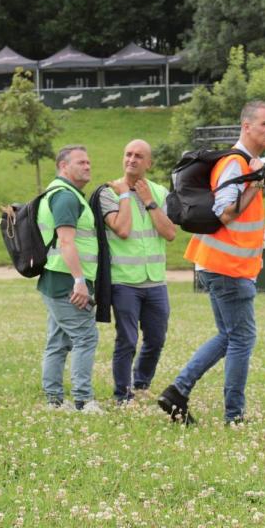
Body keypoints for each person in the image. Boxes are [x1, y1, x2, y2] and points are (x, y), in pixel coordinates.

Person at [158, 101, 265, 426]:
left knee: (228, 335)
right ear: (246, 126)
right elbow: (224, 211)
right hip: (228, 266)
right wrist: (254, 184)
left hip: (218, 263)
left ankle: (177, 393)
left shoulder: (243, 164)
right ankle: (234, 417)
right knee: (242, 338)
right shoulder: (236, 164)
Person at [97, 140, 176, 405]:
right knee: (127, 340)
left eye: (139, 156)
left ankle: (141, 383)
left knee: (156, 339)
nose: (132, 159)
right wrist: (126, 196)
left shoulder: (160, 193)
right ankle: (123, 394)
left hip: (155, 280)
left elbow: (170, 233)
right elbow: (122, 230)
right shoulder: (109, 192)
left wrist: (149, 202)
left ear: (149, 163)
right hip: (124, 281)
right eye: (128, 154)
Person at [37, 145, 103, 414]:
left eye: (88, 162)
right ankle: (83, 401)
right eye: (81, 162)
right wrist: (80, 281)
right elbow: (66, 241)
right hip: (66, 280)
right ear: (64, 167)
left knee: (58, 341)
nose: (87, 166)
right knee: (85, 337)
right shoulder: (65, 197)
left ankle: (54, 400)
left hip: (56, 278)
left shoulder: (63, 193)